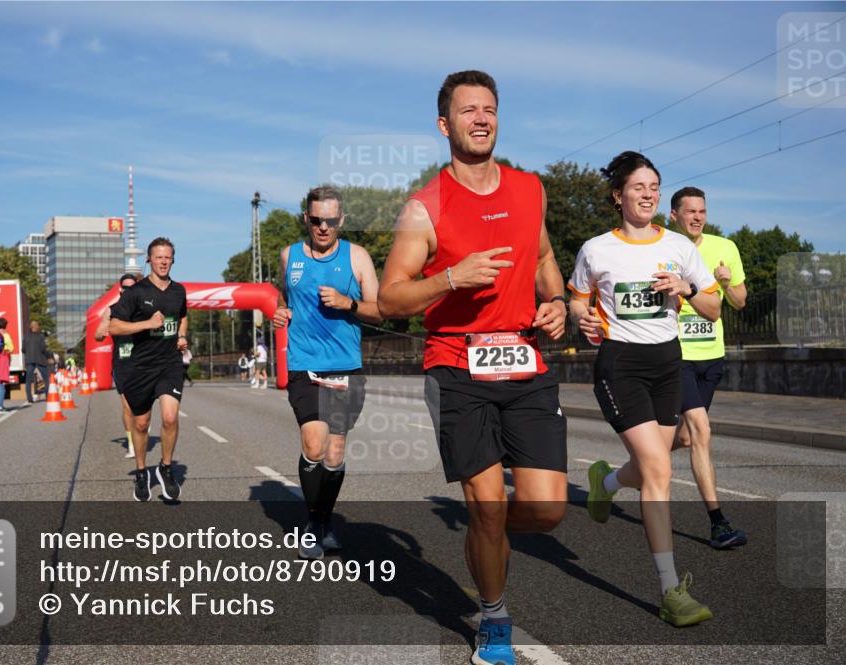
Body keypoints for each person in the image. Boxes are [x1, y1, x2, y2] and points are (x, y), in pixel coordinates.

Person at [377, 70, 568, 665]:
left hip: (525, 356)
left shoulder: (529, 189)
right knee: (487, 507)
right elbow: (390, 298)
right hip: (457, 361)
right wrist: (452, 277)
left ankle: (489, 537)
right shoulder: (425, 206)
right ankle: (494, 619)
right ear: (445, 125)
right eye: (468, 111)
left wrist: (559, 303)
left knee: (546, 510)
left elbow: (545, 260)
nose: (481, 118)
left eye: (489, 109)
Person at [568, 150, 720, 627]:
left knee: (650, 463)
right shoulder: (596, 249)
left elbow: (714, 309)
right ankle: (671, 590)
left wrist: (688, 289)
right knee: (658, 471)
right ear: (618, 196)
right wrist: (583, 318)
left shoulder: (679, 246)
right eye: (639, 186)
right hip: (621, 368)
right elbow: (576, 301)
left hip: (667, 366)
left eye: (654, 186)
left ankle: (605, 483)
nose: (649, 193)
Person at [272, 184, 381, 560]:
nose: (323, 227)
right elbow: (280, 297)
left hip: (346, 366)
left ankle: (323, 519)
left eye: (330, 221)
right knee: (314, 444)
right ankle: (313, 522)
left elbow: (380, 308)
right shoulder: (289, 257)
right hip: (304, 364)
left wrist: (348, 303)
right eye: (316, 220)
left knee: (335, 454)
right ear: (306, 218)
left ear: (341, 220)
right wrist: (279, 312)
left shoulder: (358, 257)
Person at [669, 187, 749, 549]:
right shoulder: (663, 247)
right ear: (674, 215)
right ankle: (718, 523)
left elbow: (740, 302)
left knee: (685, 437)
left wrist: (727, 281)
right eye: (690, 211)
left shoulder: (725, 248)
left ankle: (610, 481)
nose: (697, 217)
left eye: (702, 211)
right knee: (701, 430)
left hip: (712, 355)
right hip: (677, 355)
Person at [109, 238, 189, 502]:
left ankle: (165, 469)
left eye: (168, 257)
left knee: (169, 417)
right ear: (149, 259)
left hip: (169, 364)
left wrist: (181, 335)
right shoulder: (135, 292)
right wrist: (144, 324)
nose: (163, 262)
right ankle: (142, 472)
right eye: (159, 257)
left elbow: (183, 315)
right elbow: (114, 327)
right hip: (140, 367)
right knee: (141, 424)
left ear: (173, 259)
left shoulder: (179, 291)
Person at [95, 273, 141, 459]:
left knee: (143, 407)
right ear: (121, 290)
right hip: (122, 363)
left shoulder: (143, 310)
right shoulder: (111, 310)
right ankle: (131, 443)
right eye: (126, 288)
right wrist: (102, 331)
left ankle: (141, 429)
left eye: (133, 288)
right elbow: (98, 335)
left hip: (143, 361)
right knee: (127, 407)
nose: (129, 291)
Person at [23, 320, 50, 404]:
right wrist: (47, 356)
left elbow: (23, 349)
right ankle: (48, 396)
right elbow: (43, 349)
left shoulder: (26, 337)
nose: (38, 327)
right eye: (37, 325)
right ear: (36, 327)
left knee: (28, 379)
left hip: (30, 360)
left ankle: (29, 398)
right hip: (40, 359)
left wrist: (28, 354)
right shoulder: (40, 337)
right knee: (46, 378)